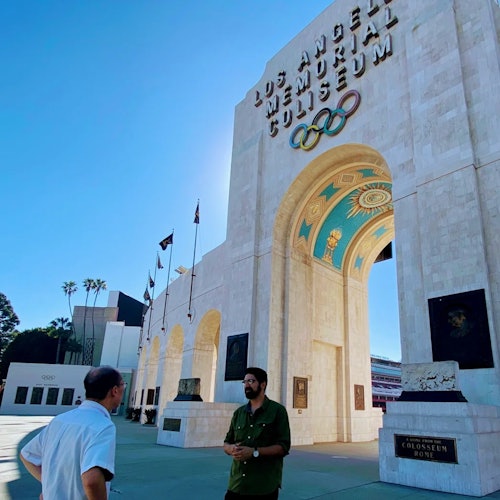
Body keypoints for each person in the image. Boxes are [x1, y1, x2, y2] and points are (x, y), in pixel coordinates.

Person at [20, 366, 125, 500]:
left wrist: (49, 486)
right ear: (115, 390)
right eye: (123, 385)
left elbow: (27, 455)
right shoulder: (103, 426)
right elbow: (92, 480)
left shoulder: (59, 420)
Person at [223, 367, 291, 499]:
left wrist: (254, 452)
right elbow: (226, 443)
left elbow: (283, 447)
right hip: (237, 485)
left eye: (251, 381)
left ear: (263, 384)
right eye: (245, 382)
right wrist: (231, 449)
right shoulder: (238, 413)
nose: (247, 385)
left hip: (263, 487)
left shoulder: (278, 411)